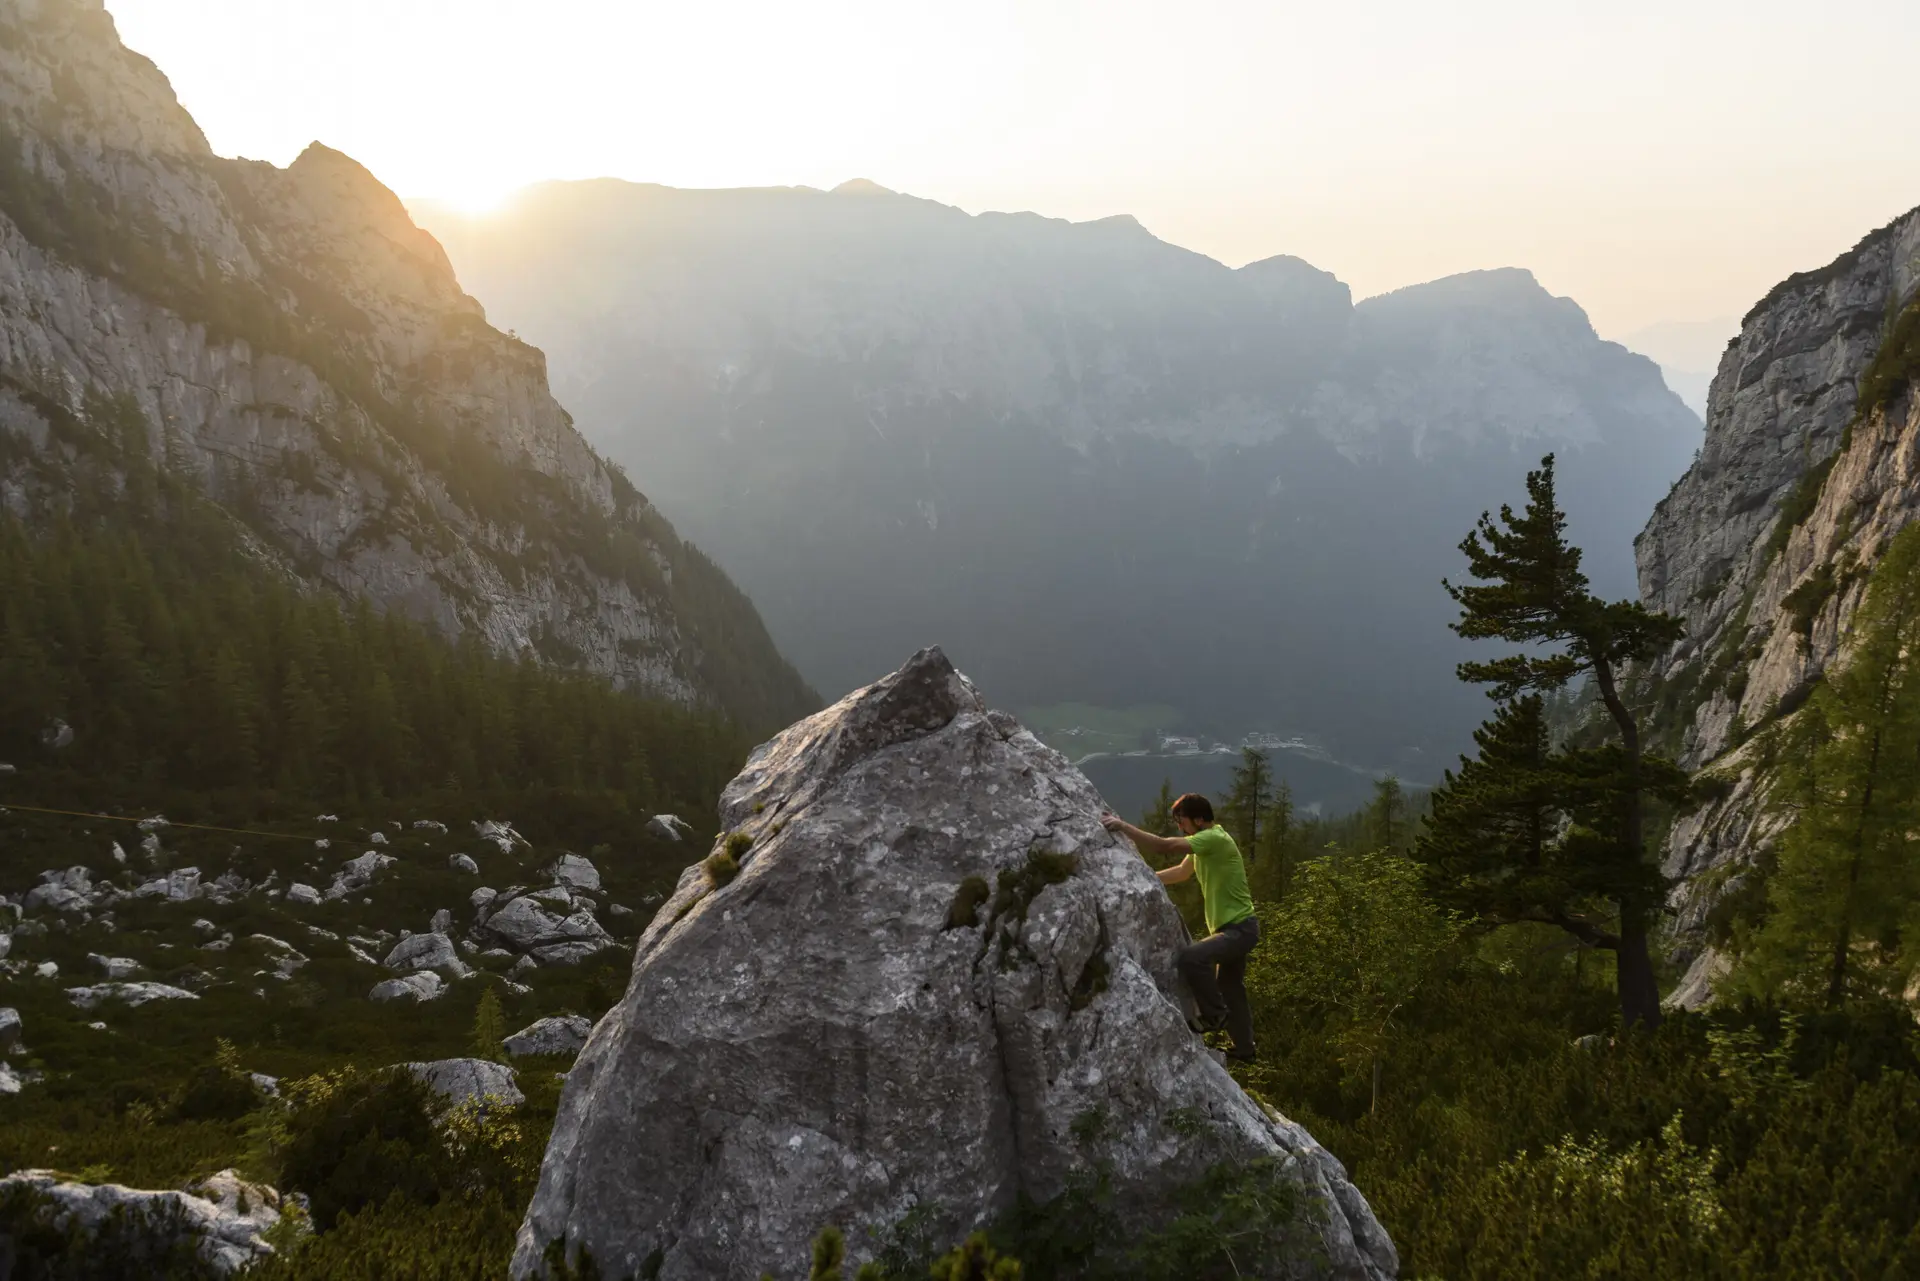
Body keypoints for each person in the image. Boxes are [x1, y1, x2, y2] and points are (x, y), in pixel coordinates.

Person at [1101, 794, 1259, 1062]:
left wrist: (1123, 826)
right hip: (1238, 927)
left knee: (1192, 958)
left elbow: (1164, 846)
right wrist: (1147, 877)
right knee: (1230, 987)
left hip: (1239, 930)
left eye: (1181, 821)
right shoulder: (1209, 842)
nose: (1179, 827)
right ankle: (1245, 1050)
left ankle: (1214, 1015)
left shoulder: (1213, 840)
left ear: (1198, 820)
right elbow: (1182, 873)